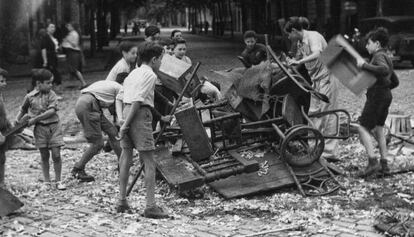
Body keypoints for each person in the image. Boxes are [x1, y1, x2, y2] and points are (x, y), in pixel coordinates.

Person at [116, 42, 171, 218]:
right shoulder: (150, 75)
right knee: (149, 160)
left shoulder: (133, 73)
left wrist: (121, 119)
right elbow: (138, 100)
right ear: (154, 59)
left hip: (126, 111)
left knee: (125, 157)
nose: (161, 63)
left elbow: (119, 97)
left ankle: (122, 201)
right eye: (161, 59)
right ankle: (150, 206)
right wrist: (125, 125)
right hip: (138, 115)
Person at [285, 16, 340, 161]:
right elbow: (298, 61)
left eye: (289, 34)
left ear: (294, 30)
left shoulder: (313, 36)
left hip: (327, 77)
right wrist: (290, 66)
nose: (289, 37)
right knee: (314, 113)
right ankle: (313, 147)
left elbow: (317, 53)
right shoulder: (300, 43)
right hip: (315, 80)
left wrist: (299, 61)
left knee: (328, 113)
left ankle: (329, 153)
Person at [16, 69, 66, 190]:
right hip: (40, 129)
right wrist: (17, 121)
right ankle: (47, 181)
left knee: (56, 154)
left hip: (54, 127)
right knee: (44, 155)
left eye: (51, 82)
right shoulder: (29, 97)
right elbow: (23, 109)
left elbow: (52, 110)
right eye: (48, 83)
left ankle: (59, 180)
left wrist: (35, 119)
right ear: (38, 84)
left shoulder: (52, 94)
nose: (51, 85)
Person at [71, 75, 126, 182]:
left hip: (90, 104)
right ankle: (78, 168)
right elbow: (119, 111)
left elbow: (112, 109)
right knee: (97, 144)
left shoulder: (112, 86)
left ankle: (122, 164)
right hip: (89, 106)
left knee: (113, 132)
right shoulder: (121, 89)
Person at [355, 27, 393, 177]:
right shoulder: (387, 56)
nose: (366, 46)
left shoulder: (378, 56)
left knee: (363, 128)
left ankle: (372, 163)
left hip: (377, 96)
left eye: (368, 43)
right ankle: (385, 165)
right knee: (378, 129)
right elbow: (393, 80)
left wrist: (364, 65)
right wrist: (385, 88)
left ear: (376, 43)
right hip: (386, 96)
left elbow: (383, 70)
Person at [61, 22, 87, 88]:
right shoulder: (71, 33)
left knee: (74, 69)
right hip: (70, 52)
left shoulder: (74, 34)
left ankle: (83, 83)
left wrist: (68, 40)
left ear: (72, 27)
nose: (67, 27)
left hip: (73, 52)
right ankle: (81, 82)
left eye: (69, 26)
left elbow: (74, 44)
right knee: (72, 69)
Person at [0, 68, 12, 189]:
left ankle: (1, 182)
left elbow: (2, 114)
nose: (5, 84)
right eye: (1, 81)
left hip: (3, 131)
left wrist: (8, 124)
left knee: (2, 158)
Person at [41, 23, 62, 88]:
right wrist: (45, 61)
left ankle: (53, 88)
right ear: (47, 28)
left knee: (53, 73)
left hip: (54, 57)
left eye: (54, 27)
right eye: (51, 27)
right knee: (53, 73)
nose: (53, 29)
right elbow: (43, 49)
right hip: (49, 57)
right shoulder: (45, 37)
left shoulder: (53, 37)